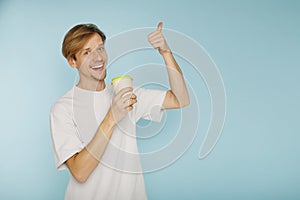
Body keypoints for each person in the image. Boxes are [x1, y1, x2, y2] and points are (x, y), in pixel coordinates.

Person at [50, 22, 190, 200]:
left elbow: (180, 99)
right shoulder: (62, 108)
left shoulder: (125, 93)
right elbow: (80, 173)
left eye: (100, 48)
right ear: (72, 61)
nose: (98, 58)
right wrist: (112, 117)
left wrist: (166, 53)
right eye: (87, 52)